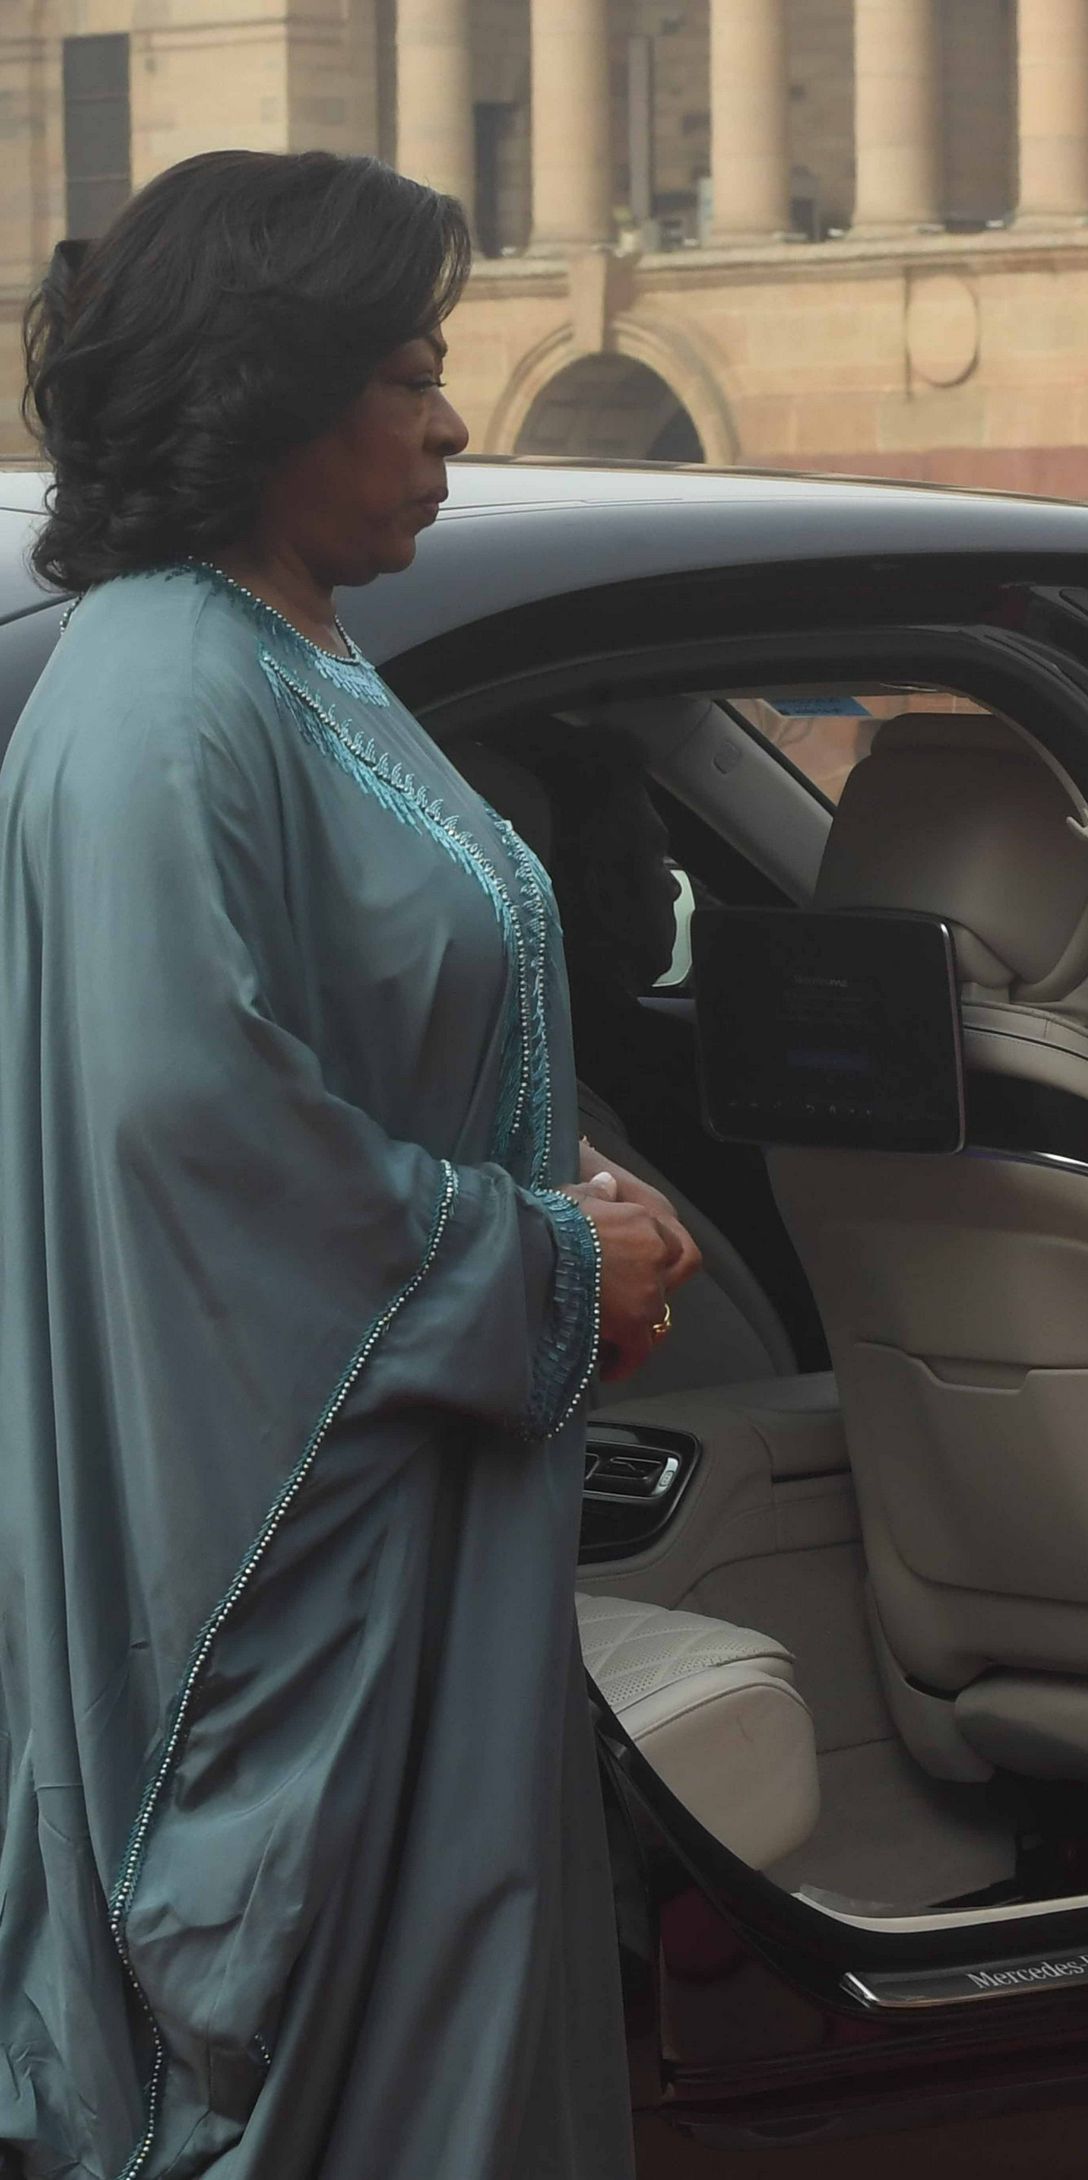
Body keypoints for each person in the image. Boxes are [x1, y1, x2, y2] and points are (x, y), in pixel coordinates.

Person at [0, 152, 701, 2180]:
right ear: (270, 395)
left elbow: (367, 1026)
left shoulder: (279, 653)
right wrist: (550, 1265)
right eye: (410, 376)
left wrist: (584, 1190)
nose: (454, 422)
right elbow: (195, 1146)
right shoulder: (167, 695)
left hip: (408, 1548)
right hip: (293, 1602)